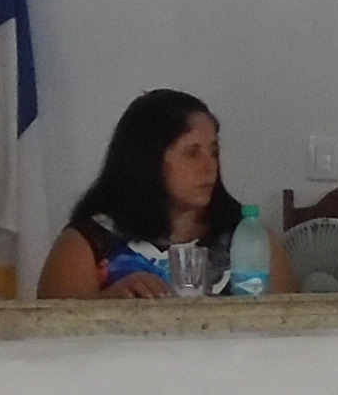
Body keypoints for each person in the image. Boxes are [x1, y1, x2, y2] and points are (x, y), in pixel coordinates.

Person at [38, 88, 295, 299]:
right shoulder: (87, 244)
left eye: (214, 152)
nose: (210, 167)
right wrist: (105, 306)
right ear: (147, 159)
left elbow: (291, 328)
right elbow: (52, 335)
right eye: (192, 153)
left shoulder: (250, 239)